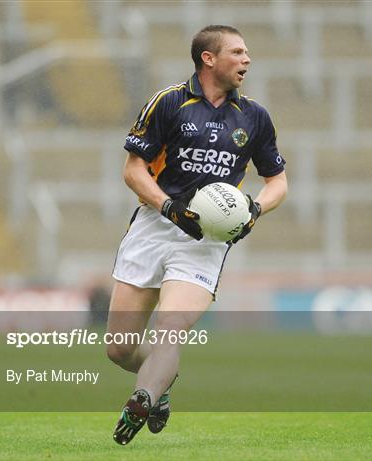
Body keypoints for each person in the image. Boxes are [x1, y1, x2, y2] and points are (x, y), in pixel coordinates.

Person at [108, 24, 287, 445]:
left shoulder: (254, 116)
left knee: (170, 328)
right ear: (209, 58)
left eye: (247, 53)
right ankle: (162, 383)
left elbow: (278, 180)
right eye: (238, 52)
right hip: (155, 226)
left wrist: (255, 209)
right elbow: (133, 170)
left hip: (207, 241)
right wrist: (168, 207)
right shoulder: (168, 103)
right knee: (119, 349)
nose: (247, 60)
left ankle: (142, 399)